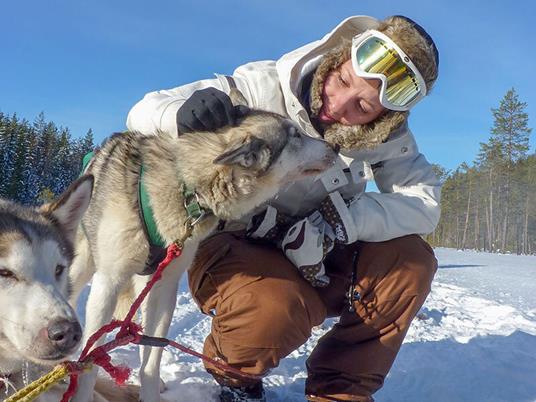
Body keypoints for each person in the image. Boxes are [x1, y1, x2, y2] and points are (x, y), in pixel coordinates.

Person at [127, 14, 440, 402]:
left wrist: (340, 223)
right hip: (234, 244)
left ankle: (341, 390)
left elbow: (425, 202)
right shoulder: (261, 88)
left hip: (318, 250)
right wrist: (178, 114)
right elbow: (142, 113)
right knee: (277, 307)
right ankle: (236, 376)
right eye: (342, 81)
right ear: (338, 58)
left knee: (411, 261)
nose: (338, 106)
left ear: (383, 117)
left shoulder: (386, 139)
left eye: (362, 105)